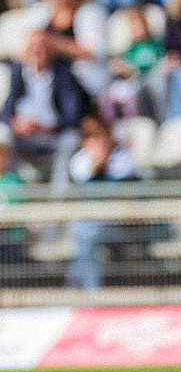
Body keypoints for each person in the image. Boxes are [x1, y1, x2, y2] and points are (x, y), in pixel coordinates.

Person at [1, 30, 89, 186]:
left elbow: (73, 116)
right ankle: (12, 190)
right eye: (34, 47)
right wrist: (16, 124)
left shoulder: (65, 74)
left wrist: (46, 128)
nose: (38, 52)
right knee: (5, 136)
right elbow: (7, 110)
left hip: (54, 134)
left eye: (43, 47)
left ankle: (59, 198)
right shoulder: (18, 72)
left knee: (71, 139)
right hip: (25, 136)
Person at [66, 115, 140, 291]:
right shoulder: (79, 162)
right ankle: (91, 292)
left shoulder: (124, 160)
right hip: (92, 226)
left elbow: (122, 200)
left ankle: (80, 288)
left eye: (103, 137)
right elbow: (84, 201)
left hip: (122, 227)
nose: (100, 143)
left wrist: (101, 170)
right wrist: (96, 169)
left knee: (83, 234)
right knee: (84, 233)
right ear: (85, 142)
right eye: (94, 138)